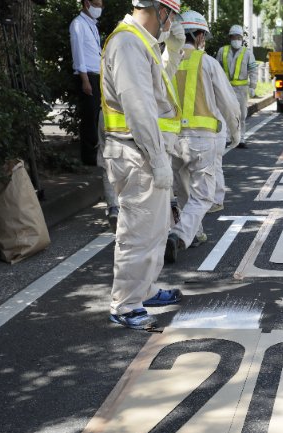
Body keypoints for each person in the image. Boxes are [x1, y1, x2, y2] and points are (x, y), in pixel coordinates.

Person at [100, 0, 186, 329]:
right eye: (172, 14)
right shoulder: (127, 43)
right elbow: (139, 107)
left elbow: (157, 87)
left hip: (143, 153)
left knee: (154, 229)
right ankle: (125, 305)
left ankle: (144, 289)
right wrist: (158, 158)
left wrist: (174, 51)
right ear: (160, 10)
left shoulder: (140, 44)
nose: (173, 21)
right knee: (138, 232)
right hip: (137, 154)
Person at [164, 11, 241, 264]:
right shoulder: (206, 62)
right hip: (201, 139)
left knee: (183, 189)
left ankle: (194, 234)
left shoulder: (166, 60)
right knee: (203, 195)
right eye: (202, 36)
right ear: (198, 35)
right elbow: (228, 102)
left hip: (172, 138)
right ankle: (179, 234)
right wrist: (235, 130)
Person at [69, 0, 104, 166]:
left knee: (96, 115)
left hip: (96, 75)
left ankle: (95, 152)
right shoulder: (78, 24)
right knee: (89, 117)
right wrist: (84, 80)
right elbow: (78, 54)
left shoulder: (92, 25)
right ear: (86, 3)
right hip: (87, 76)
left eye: (100, 5)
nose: (99, 8)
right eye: (96, 4)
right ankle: (89, 157)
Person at [216, 25, 258, 148]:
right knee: (227, 113)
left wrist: (253, 86)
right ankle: (228, 138)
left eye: (238, 37)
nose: (236, 39)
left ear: (241, 38)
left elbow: (253, 70)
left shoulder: (247, 52)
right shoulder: (222, 51)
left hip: (242, 89)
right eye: (234, 37)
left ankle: (241, 138)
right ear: (230, 38)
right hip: (226, 88)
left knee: (241, 115)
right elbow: (216, 68)